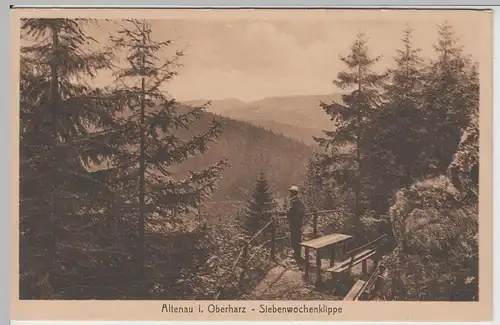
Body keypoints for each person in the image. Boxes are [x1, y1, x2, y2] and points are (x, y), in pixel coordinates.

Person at [287, 185, 306, 262]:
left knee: (295, 238)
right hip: (298, 223)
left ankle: (297, 255)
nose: (289, 194)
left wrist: (287, 212)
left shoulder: (294, 201)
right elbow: (303, 210)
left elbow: (291, 212)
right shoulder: (298, 201)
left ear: (292, 193)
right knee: (297, 238)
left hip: (294, 223)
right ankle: (297, 253)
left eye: (290, 192)